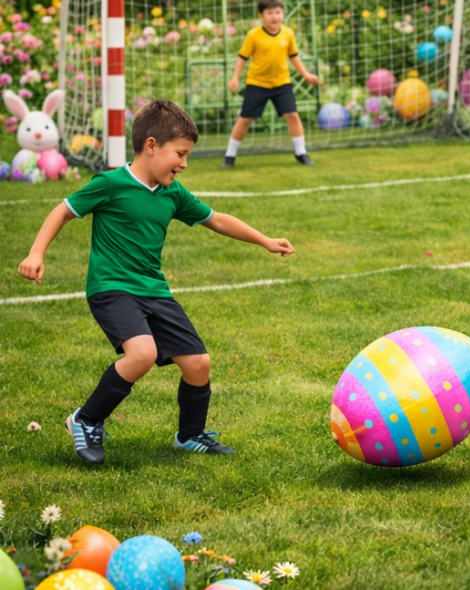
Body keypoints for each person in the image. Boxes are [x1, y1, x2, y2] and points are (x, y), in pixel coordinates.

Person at [18, 100, 295, 464]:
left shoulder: (172, 193)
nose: (183, 163)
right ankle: (85, 420)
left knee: (198, 363)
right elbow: (63, 211)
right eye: (179, 154)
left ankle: (190, 434)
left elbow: (217, 220)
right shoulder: (110, 184)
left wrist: (264, 240)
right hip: (112, 288)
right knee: (143, 354)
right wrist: (36, 253)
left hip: (154, 291)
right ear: (151, 146)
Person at [224, 0, 321, 167]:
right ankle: (230, 156)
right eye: (270, 13)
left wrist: (306, 74)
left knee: (292, 115)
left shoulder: (288, 33)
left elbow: (294, 56)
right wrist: (235, 78)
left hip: (282, 83)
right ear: (261, 16)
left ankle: (301, 152)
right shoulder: (253, 35)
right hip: (257, 84)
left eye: (278, 12)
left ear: (283, 13)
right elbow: (242, 58)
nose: (275, 16)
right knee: (245, 118)